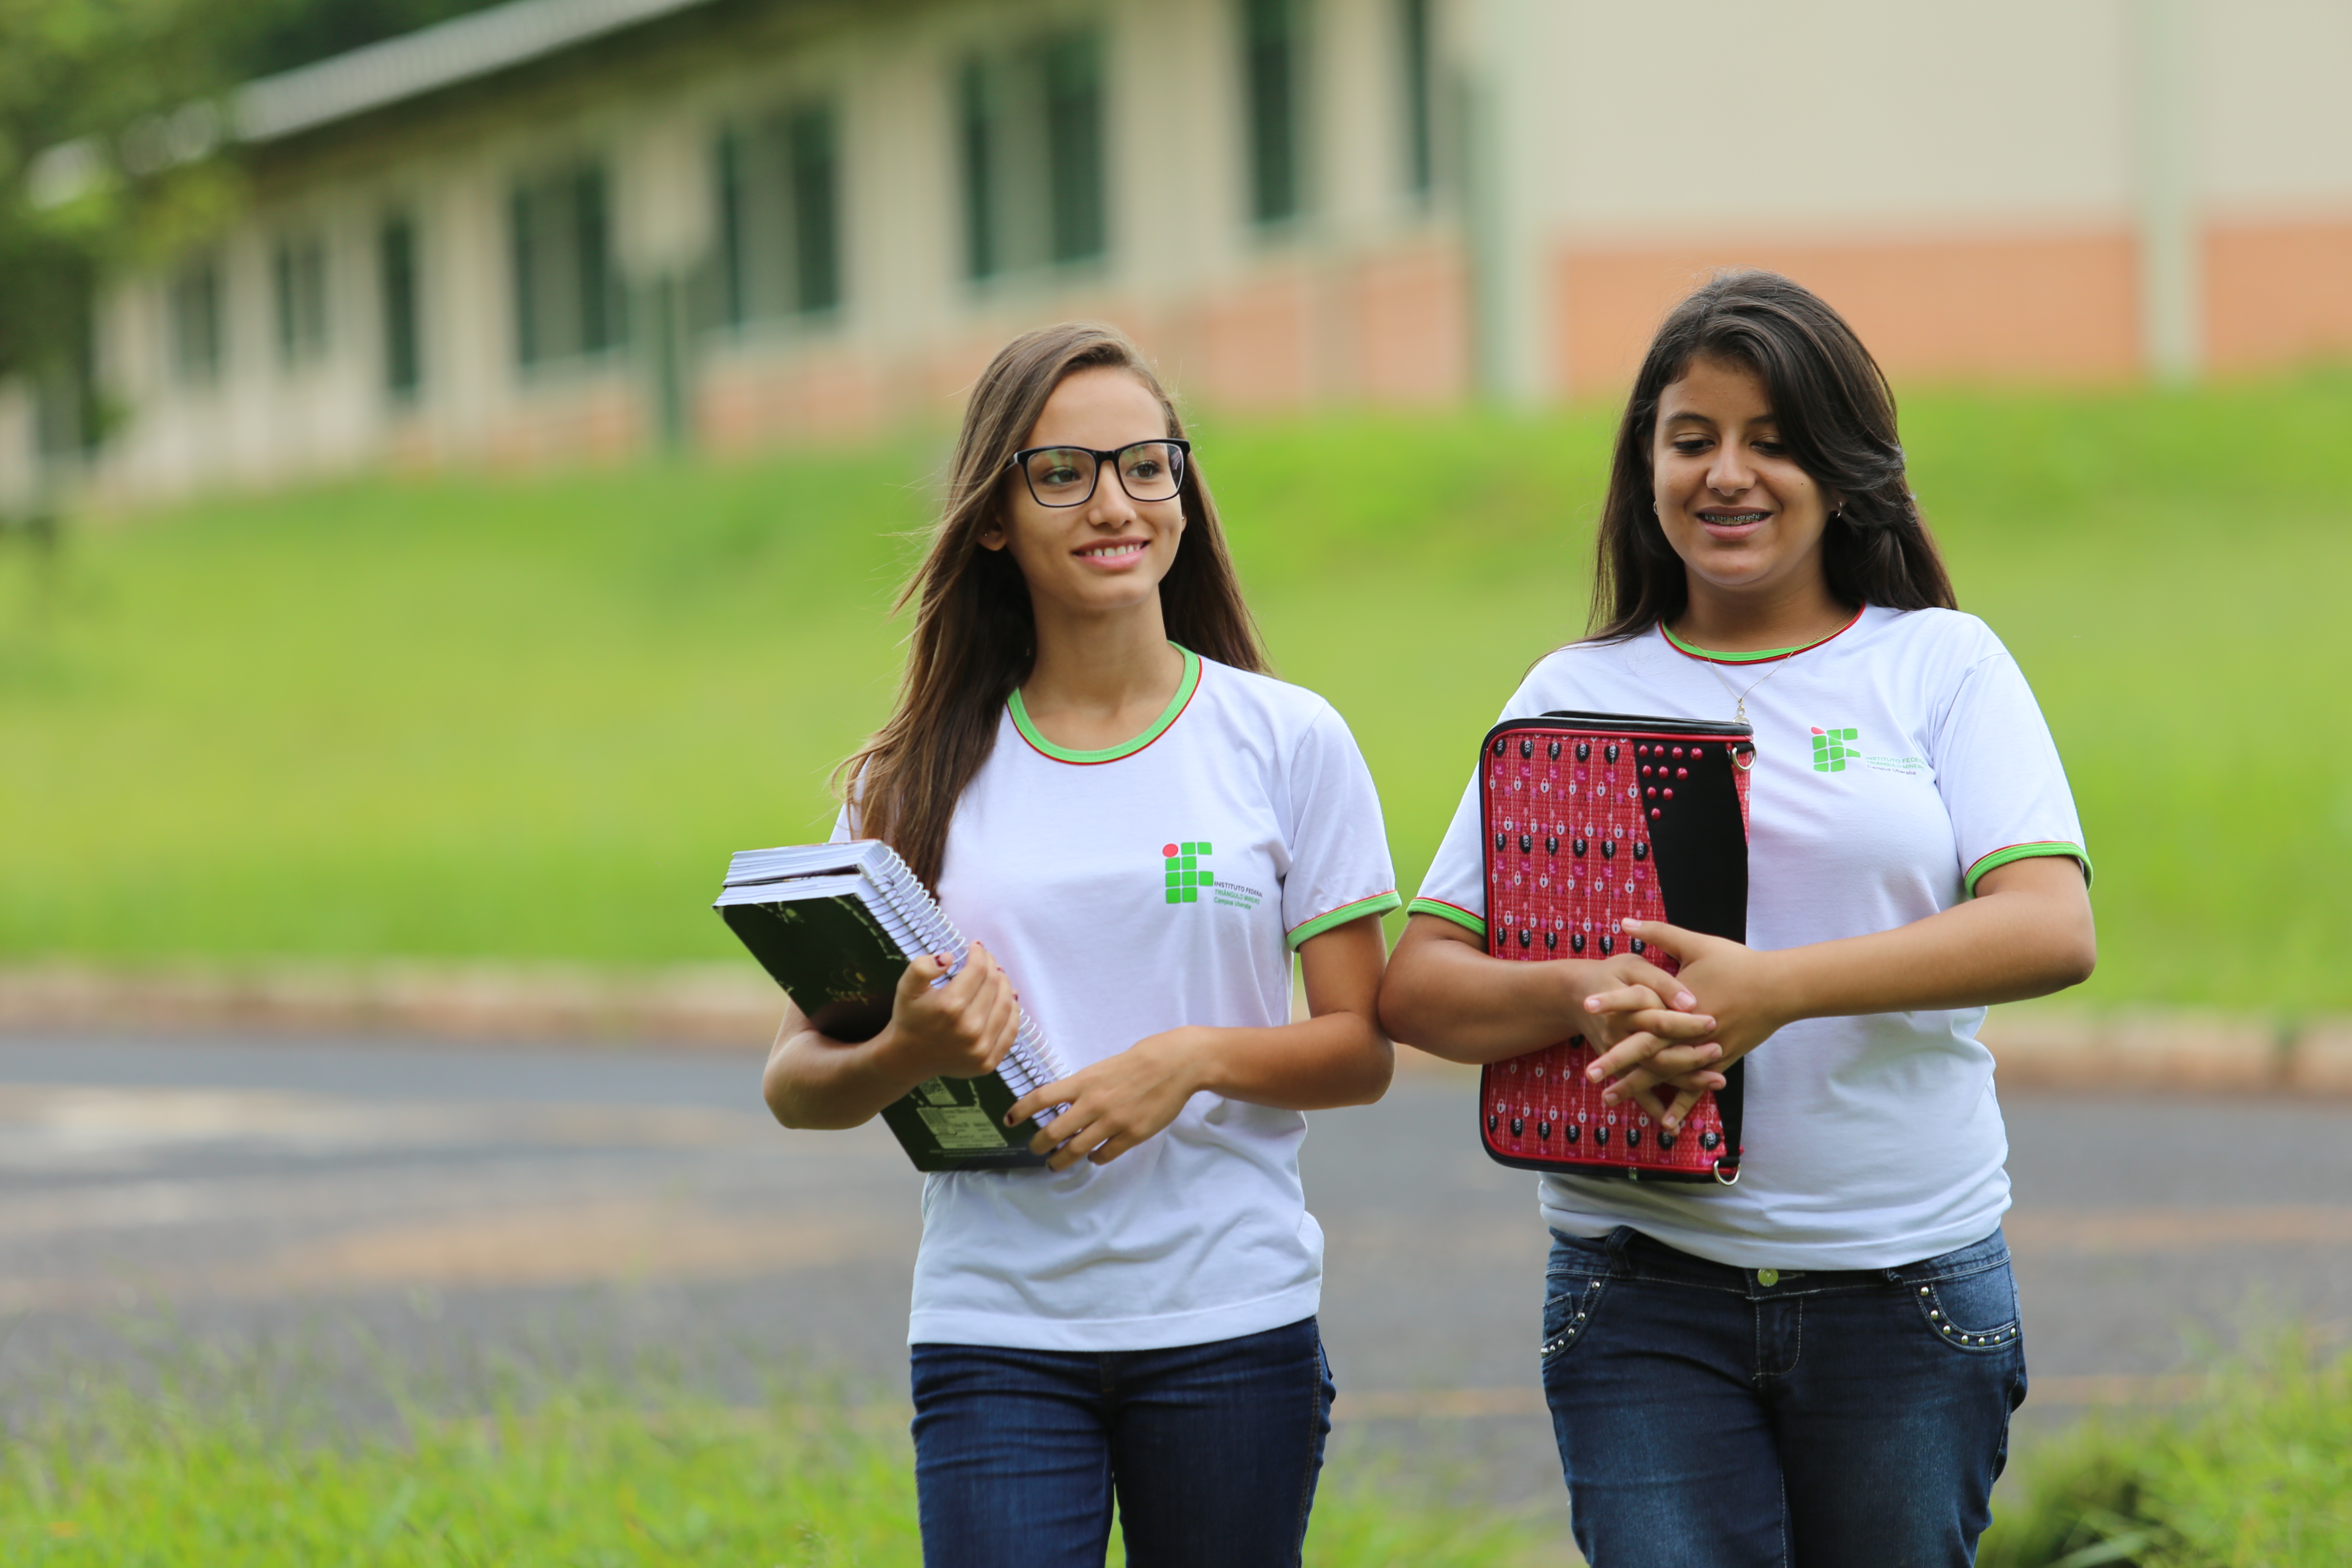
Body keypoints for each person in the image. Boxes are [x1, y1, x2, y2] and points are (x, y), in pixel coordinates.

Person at [1378, 272, 2096, 1568]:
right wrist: (1585, 992)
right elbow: (1420, 985)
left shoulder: (1942, 663)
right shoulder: (1574, 690)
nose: (1729, 475)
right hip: (1640, 1286)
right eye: (1692, 437)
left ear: (1842, 470)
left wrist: (1779, 988)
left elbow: (2050, 925)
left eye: (1774, 441)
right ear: (1643, 462)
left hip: (1907, 1287)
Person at [760, 322, 1400, 1568]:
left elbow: (1359, 1048)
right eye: (1064, 473)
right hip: (996, 1332)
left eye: (1146, 465)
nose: (1115, 502)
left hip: (1233, 1320)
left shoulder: (1287, 741)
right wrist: (904, 1049)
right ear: (994, 514)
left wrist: (1192, 1061)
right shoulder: (911, 782)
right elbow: (796, 1086)